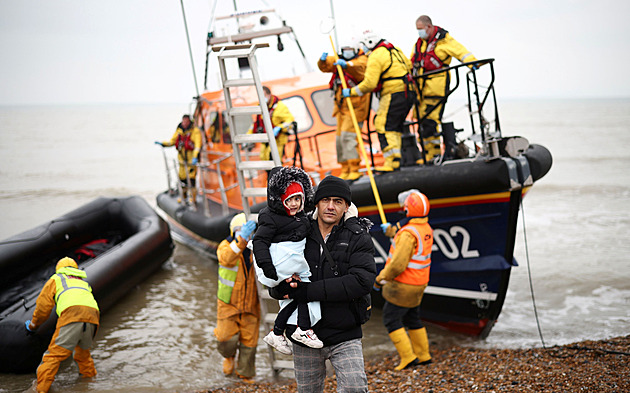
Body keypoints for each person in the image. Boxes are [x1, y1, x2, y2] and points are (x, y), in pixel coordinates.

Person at [270, 175, 376, 393]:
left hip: (345, 332)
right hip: (303, 335)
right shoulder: (295, 232)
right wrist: (280, 288)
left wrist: (307, 291)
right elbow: (275, 278)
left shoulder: (358, 236)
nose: (330, 206)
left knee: (356, 389)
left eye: (338, 201)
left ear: (347, 206)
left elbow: (361, 281)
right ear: (316, 202)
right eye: (325, 200)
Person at [252, 166, 323, 355]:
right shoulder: (270, 218)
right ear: (280, 200)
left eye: (297, 199)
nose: (293, 204)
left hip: (295, 268)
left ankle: (277, 331)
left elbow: (307, 229)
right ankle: (303, 328)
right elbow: (260, 241)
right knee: (304, 293)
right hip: (281, 267)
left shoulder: (301, 217)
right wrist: (267, 266)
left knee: (297, 297)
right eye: (289, 199)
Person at [342, 30, 416, 172]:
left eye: (362, 45)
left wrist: (351, 92)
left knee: (382, 124)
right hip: (408, 91)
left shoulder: (376, 56)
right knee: (395, 126)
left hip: (393, 93)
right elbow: (409, 65)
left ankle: (392, 161)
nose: (362, 49)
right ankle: (401, 158)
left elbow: (369, 84)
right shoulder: (395, 50)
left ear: (369, 43)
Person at [376, 189, 433, 370]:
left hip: (403, 285)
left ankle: (408, 357)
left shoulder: (408, 233)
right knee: (413, 318)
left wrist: (380, 278)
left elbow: (397, 265)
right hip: (419, 284)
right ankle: (424, 355)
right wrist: (393, 232)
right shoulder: (425, 228)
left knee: (391, 319)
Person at [24, 257, 100, 393]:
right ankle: (89, 384)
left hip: (72, 315)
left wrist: (33, 325)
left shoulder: (56, 279)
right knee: (83, 354)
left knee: (52, 356)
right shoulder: (83, 283)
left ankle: (40, 390)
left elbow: (43, 307)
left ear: (59, 268)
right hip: (93, 316)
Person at [411, 15, 477, 163]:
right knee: (422, 121)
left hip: (437, 87)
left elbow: (460, 51)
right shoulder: (419, 44)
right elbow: (413, 61)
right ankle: (428, 155)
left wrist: (473, 63)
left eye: (420, 29)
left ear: (429, 27)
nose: (419, 33)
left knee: (431, 120)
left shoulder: (444, 40)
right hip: (421, 89)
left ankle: (433, 155)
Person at [214, 213, 259, 381]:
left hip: (251, 304)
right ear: (234, 232)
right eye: (240, 231)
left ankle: (245, 375)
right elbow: (226, 258)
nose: (246, 236)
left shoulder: (255, 249)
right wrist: (241, 240)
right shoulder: (226, 246)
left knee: (250, 343)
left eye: (248, 232)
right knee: (225, 338)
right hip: (229, 304)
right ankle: (228, 357)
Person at [318, 42, 370, 180]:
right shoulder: (338, 61)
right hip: (341, 108)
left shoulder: (361, 60)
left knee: (348, 137)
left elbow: (359, 68)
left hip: (356, 107)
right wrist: (322, 60)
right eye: (345, 49)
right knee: (340, 139)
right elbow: (327, 65)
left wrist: (347, 66)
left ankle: (354, 167)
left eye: (349, 49)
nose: (347, 52)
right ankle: (345, 167)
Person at [155, 114, 203, 203]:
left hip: (191, 161)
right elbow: (172, 141)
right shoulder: (179, 131)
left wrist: (195, 156)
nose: (184, 123)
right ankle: (183, 197)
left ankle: (193, 198)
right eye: (183, 121)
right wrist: (163, 144)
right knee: (182, 179)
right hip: (181, 160)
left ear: (189, 122)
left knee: (191, 179)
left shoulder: (195, 131)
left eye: (186, 121)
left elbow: (197, 145)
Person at [248, 85, 295, 162]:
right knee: (264, 159)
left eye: (264, 95)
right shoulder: (261, 108)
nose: (262, 98)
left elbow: (290, 121)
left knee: (275, 160)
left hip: (278, 140)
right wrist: (249, 137)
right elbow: (256, 124)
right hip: (265, 140)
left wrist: (279, 128)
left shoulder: (280, 107)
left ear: (269, 95)